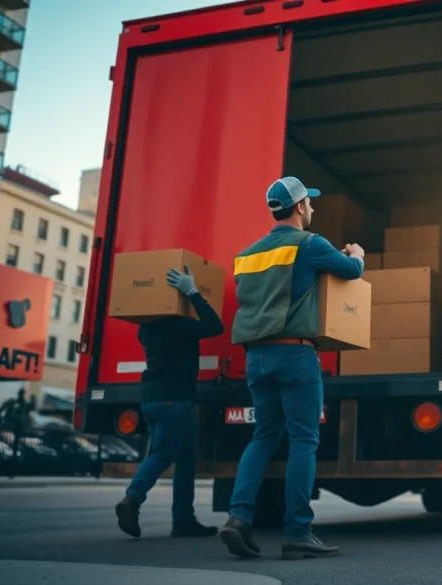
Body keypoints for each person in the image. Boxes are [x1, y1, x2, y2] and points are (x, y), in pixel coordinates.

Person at [219, 176, 364, 560]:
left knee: (263, 438)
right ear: (300, 207)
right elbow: (350, 272)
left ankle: (238, 519)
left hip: (256, 358)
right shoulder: (310, 243)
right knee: (303, 442)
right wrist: (358, 254)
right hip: (295, 354)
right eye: (310, 204)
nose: (312, 209)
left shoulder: (247, 255)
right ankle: (297, 532)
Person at [115, 265, 224, 538]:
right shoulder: (180, 326)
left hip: (152, 400)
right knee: (163, 454)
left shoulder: (146, 330)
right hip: (175, 401)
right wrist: (194, 293)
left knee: (186, 459)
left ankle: (183, 519)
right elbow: (215, 326)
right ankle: (132, 498)